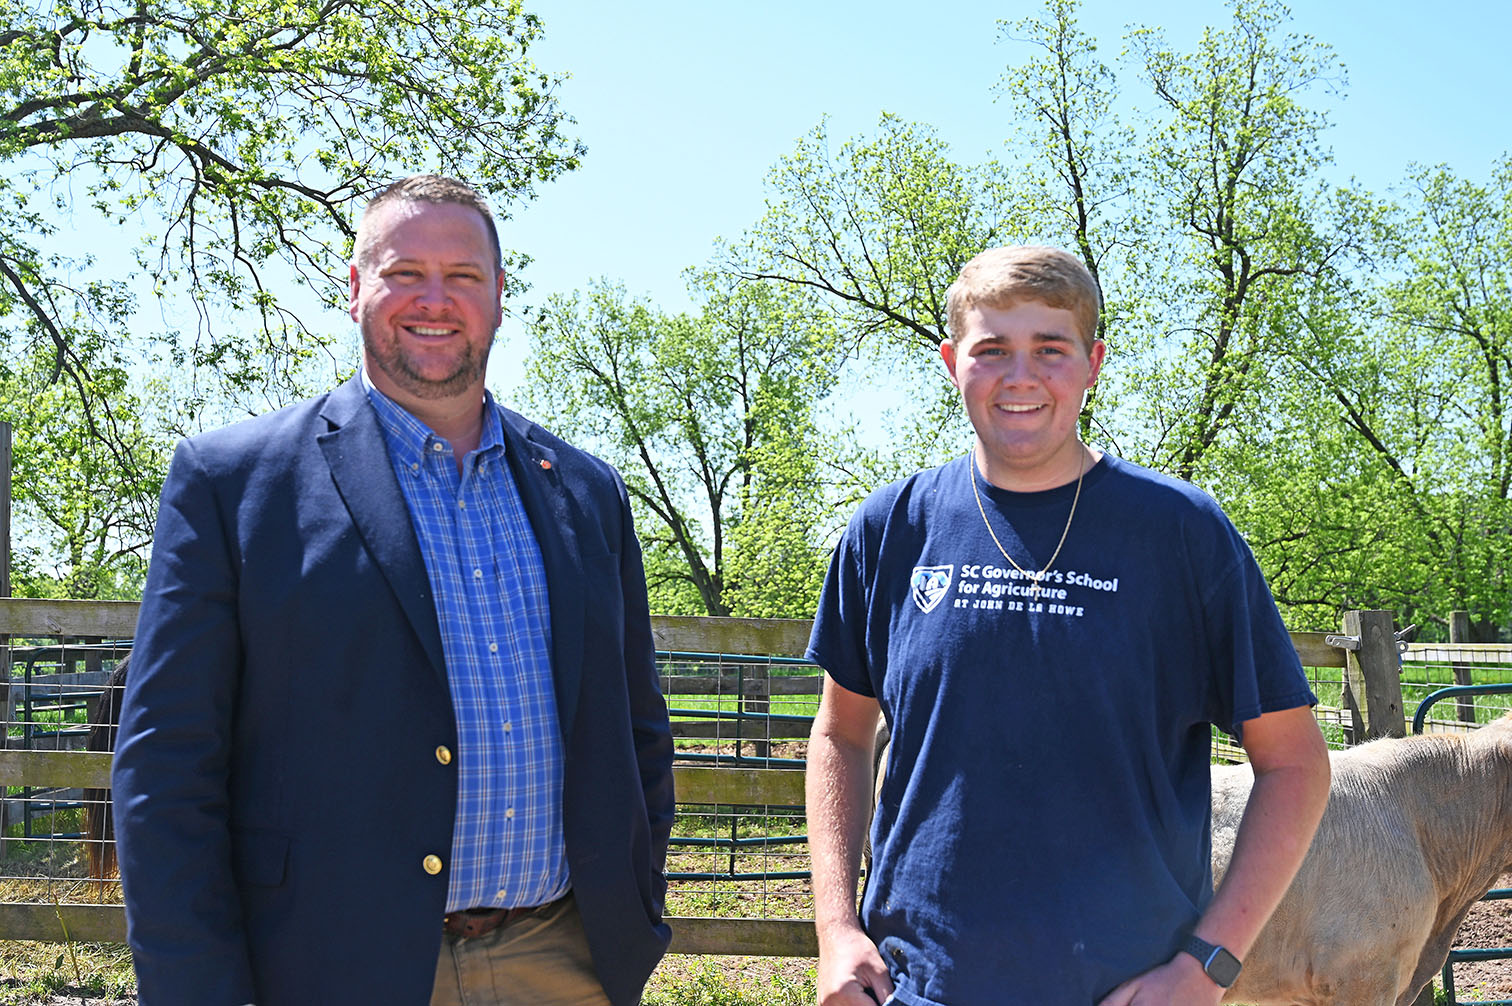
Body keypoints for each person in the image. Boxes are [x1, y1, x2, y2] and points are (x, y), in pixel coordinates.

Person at [112, 175, 675, 1006]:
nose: (435, 300)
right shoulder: (233, 486)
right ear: (354, 289)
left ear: (499, 294)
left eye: (463, 275)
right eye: (404, 272)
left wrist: (636, 902)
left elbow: (637, 731)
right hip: (328, 967)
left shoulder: (587, 491)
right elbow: (166, 772)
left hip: (564, 965)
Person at [804, 246, 1331, 1006]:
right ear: (953, 361)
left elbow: (1295, 765)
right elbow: (838, 734)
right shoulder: (891, 529)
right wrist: (833, 929)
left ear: (1093, 363)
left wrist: (1207, 967)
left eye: (1050, 349)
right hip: (918, 988)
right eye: (992, 350)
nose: (1021, 376)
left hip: (1127, 990)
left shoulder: (1181, 532)